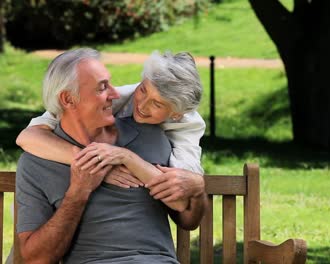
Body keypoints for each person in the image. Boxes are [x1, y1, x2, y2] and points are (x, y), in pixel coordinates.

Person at [15, 48, 208, 263]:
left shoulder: (157, 135)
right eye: (102, 87)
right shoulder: (36, 161)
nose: (117, 94)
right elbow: (35, 259)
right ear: (68, 99)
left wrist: (198, 187)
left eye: (110, 84)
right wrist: (81, 187)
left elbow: (185, 210)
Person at [16, 51, 205, 190]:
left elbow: (185, 179)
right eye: (143, 90)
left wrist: (195, 182)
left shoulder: (188, 123)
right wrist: (99, 166)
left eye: (156, 104)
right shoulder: (116, 98)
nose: (142, 105)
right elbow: (28, 136)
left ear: (176, 114)